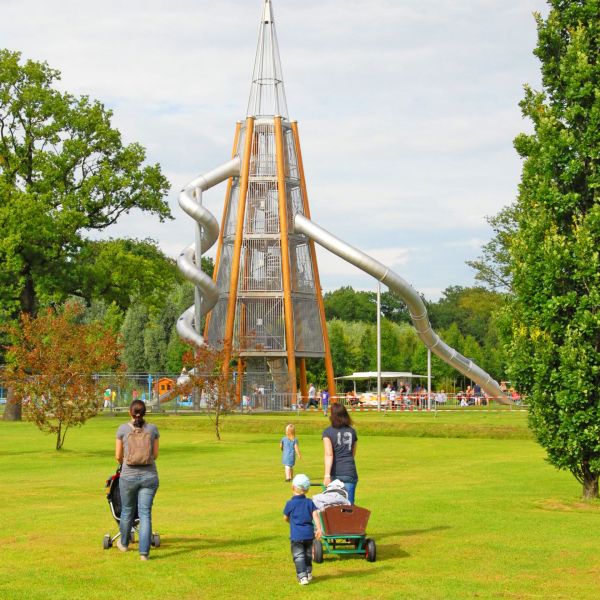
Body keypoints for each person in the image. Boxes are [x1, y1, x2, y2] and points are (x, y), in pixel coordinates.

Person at [115, 400, 160, 561]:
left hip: (128, 476)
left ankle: (124, 544)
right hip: (149, 476)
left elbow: (118, 456)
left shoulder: (123, 429)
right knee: (145, 513)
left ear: (130, 412)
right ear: (145, 412)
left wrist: (125, 462)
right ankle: (144, 554)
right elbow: (155, 455)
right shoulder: (152, 429)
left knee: (127, 510)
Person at [283, 474, 322, 585]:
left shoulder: (290, 504)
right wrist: (319, 528)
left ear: (293, 487)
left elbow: (285, 517)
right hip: (309, 535)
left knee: (298, 556)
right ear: (307, 490)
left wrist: (290, 522)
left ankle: (302, 576)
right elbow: (315, 516)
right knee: (308, 555)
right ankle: (308, 573)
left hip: (296, 536)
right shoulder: (310, 502)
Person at [322, 403, 359, 505]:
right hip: (349, 471)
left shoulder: (327, 432)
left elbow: (329, 454)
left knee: (332, 505)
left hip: (335, 472)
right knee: (349, 506)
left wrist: (326, 475)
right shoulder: (352, 432)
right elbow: (352, 453)